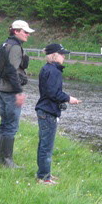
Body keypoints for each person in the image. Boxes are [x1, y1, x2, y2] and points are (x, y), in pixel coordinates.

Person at [35, 43, 80, 185]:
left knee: (44, 144)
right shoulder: (53, 71)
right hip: (48, 112)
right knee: (46, 146)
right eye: (61, 54)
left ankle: (44, 173)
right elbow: (53, 93)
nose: (64, 56)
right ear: (54, 55)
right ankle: (44, 178)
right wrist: (69, 99)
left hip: (45, 110)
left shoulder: (47, 68)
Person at [0, 19, 34, 168]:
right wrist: (19, 92)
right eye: (25, 32)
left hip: (1, 89)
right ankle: (7, 160)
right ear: (16, 31)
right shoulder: (15, 47)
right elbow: (11, 71)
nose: (28, 35)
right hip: (10, 92)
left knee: (4, 124)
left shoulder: (5, 44)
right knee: (11, 126)